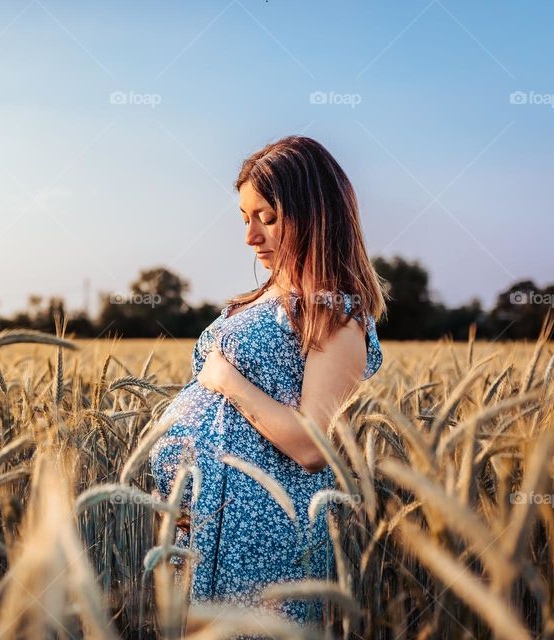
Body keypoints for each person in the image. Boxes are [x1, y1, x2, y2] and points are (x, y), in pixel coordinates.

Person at [148, 135, 385, 629]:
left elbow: (311, 445)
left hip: (260, 546)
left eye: (268, 218)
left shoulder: (333, 315)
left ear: (314, 214)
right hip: (198, 533)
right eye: (244, 218)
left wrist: (226, 380)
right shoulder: (256, 300)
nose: (251, 237)